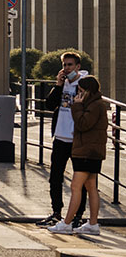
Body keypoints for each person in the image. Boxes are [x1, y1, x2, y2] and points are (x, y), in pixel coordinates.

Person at [47, 75, 108, 235]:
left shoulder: (94, 106)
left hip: (87, 152)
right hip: (92, 151)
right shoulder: (96, 104)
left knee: (76, 187)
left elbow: (83, 124)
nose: (77, 95)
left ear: (87, 91)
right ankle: (92, 224)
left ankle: (66, 223)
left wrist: (77, 106)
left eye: (80, 91)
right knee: (91, 187)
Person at [37, 52, 89, 227]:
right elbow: (50, 104)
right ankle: (57, 212)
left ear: (78, 66)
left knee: (79, 180)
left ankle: (78, 215)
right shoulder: (63, 83)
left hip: (77, 139)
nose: (66, 68)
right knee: (55, 177)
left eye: (70, 65)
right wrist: (58, 85)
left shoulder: (85, 84)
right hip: (60, 137)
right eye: (64, 65)